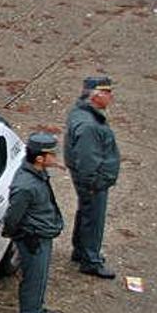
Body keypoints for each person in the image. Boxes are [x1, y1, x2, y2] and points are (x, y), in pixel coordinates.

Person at [3, 133, 64, 313]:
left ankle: (37, 309)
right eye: (52, 154)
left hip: (43, 235)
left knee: (41, 276)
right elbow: (12, 218)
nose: (55, 157)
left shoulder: (37, 173)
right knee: (33, 281)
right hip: (33, 239)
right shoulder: (26, 185)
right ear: (39, 159)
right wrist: (18, 236)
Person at [64, 76, 120, 279]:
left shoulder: (81, 113)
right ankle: (90, 260)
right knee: (94, 218)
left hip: (88, 179)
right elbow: (88, 161)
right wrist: (95, 183)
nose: (111, 96)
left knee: (86, 212)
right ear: (96, 96)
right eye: (107, 92)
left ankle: (80, 250)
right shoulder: (90, 126)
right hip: (93, 181)